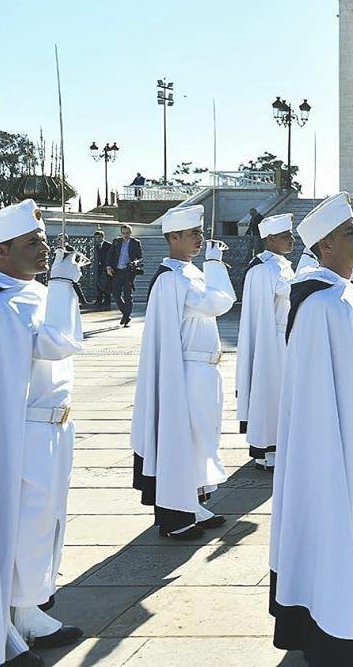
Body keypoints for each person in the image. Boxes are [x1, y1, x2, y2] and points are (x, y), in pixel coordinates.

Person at [269, 192, 353, 666]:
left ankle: (348, 618)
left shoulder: (341, 294)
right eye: (349, 234)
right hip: (341, 441)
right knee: (341, 526)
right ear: (325, 246)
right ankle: (332, 636)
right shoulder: (324, 301)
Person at [0, 200, 84, 667]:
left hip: (54, 428)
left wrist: (56, 286)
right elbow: (58, 343)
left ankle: (28, 613)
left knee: (43, 528)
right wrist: (62, 284)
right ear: (0, 250)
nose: (42, 251)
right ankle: (1, 630)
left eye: (41, 242)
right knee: (18, 528)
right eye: (30, 244)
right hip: (18, 436)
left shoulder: (34, 294)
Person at [131, 204, 236, 539]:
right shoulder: (173, 278)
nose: (199, 240)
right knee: (185, 437)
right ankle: (176, 515)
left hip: (203, 368)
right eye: (192, 234)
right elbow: (220, 302)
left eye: (200, 233)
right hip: (186, 371)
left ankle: (193, 502)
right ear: (173, 237)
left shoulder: (188, 274)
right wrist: (217, 266)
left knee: (202, 439)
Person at [236, 213, 295, 472]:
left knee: (282, 394)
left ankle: (278, 444)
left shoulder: (279, 264)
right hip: (271, 341)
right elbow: (286, 293)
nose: (292, 240)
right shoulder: (263, 268)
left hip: (283, 338)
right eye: (286, 236)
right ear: (270, 240)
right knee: (270, 391)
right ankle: (267, 447)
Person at [107, 224, 143, 327]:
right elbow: (110, 255)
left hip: (128, 272)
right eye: (123, 233)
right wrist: (108, 266)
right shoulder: (116, 242)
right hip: (116, 271)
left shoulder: (136, 243)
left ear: (131, 233)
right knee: (116, 294)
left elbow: (140, 258)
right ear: (121, 233)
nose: (125, 235)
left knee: (128, 295)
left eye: (127, 233)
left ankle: (126, 316)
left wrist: (135, 263)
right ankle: (126, 314)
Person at [92, 229, 112, 309]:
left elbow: (110, 256)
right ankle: (99, 300)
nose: (98, 239)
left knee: (106, 284)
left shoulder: (108, 245)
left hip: (106, 267)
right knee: (98, 283)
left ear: (103, 237)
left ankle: (107, 300)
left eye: (99, 237)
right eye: (96, 238)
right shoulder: (97, 246)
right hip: (99, 267)